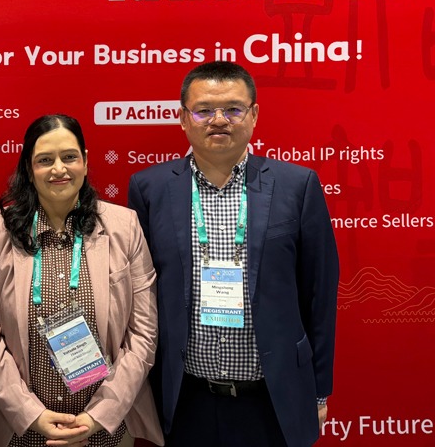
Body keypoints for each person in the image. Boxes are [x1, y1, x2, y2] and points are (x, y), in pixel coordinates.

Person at [128, 61, 339, 447]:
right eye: (204, 110)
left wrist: (319, 391)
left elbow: (319, 295)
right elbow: (139, 296)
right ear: (183, 118)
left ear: (254, 115)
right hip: (185, 398)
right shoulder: (149, 188)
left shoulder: (297, 185)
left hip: (272, 399)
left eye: (233, 109)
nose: (219, 120)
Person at [0, 114, 164, 447]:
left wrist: (98, 416)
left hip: (107, 430)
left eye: (69, 157)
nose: (58, 169)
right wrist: (31, 414)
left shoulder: (125, 226)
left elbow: (143, 335)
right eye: (45, 160)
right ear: (29, 169)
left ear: (85, 162)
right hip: (22, 429)